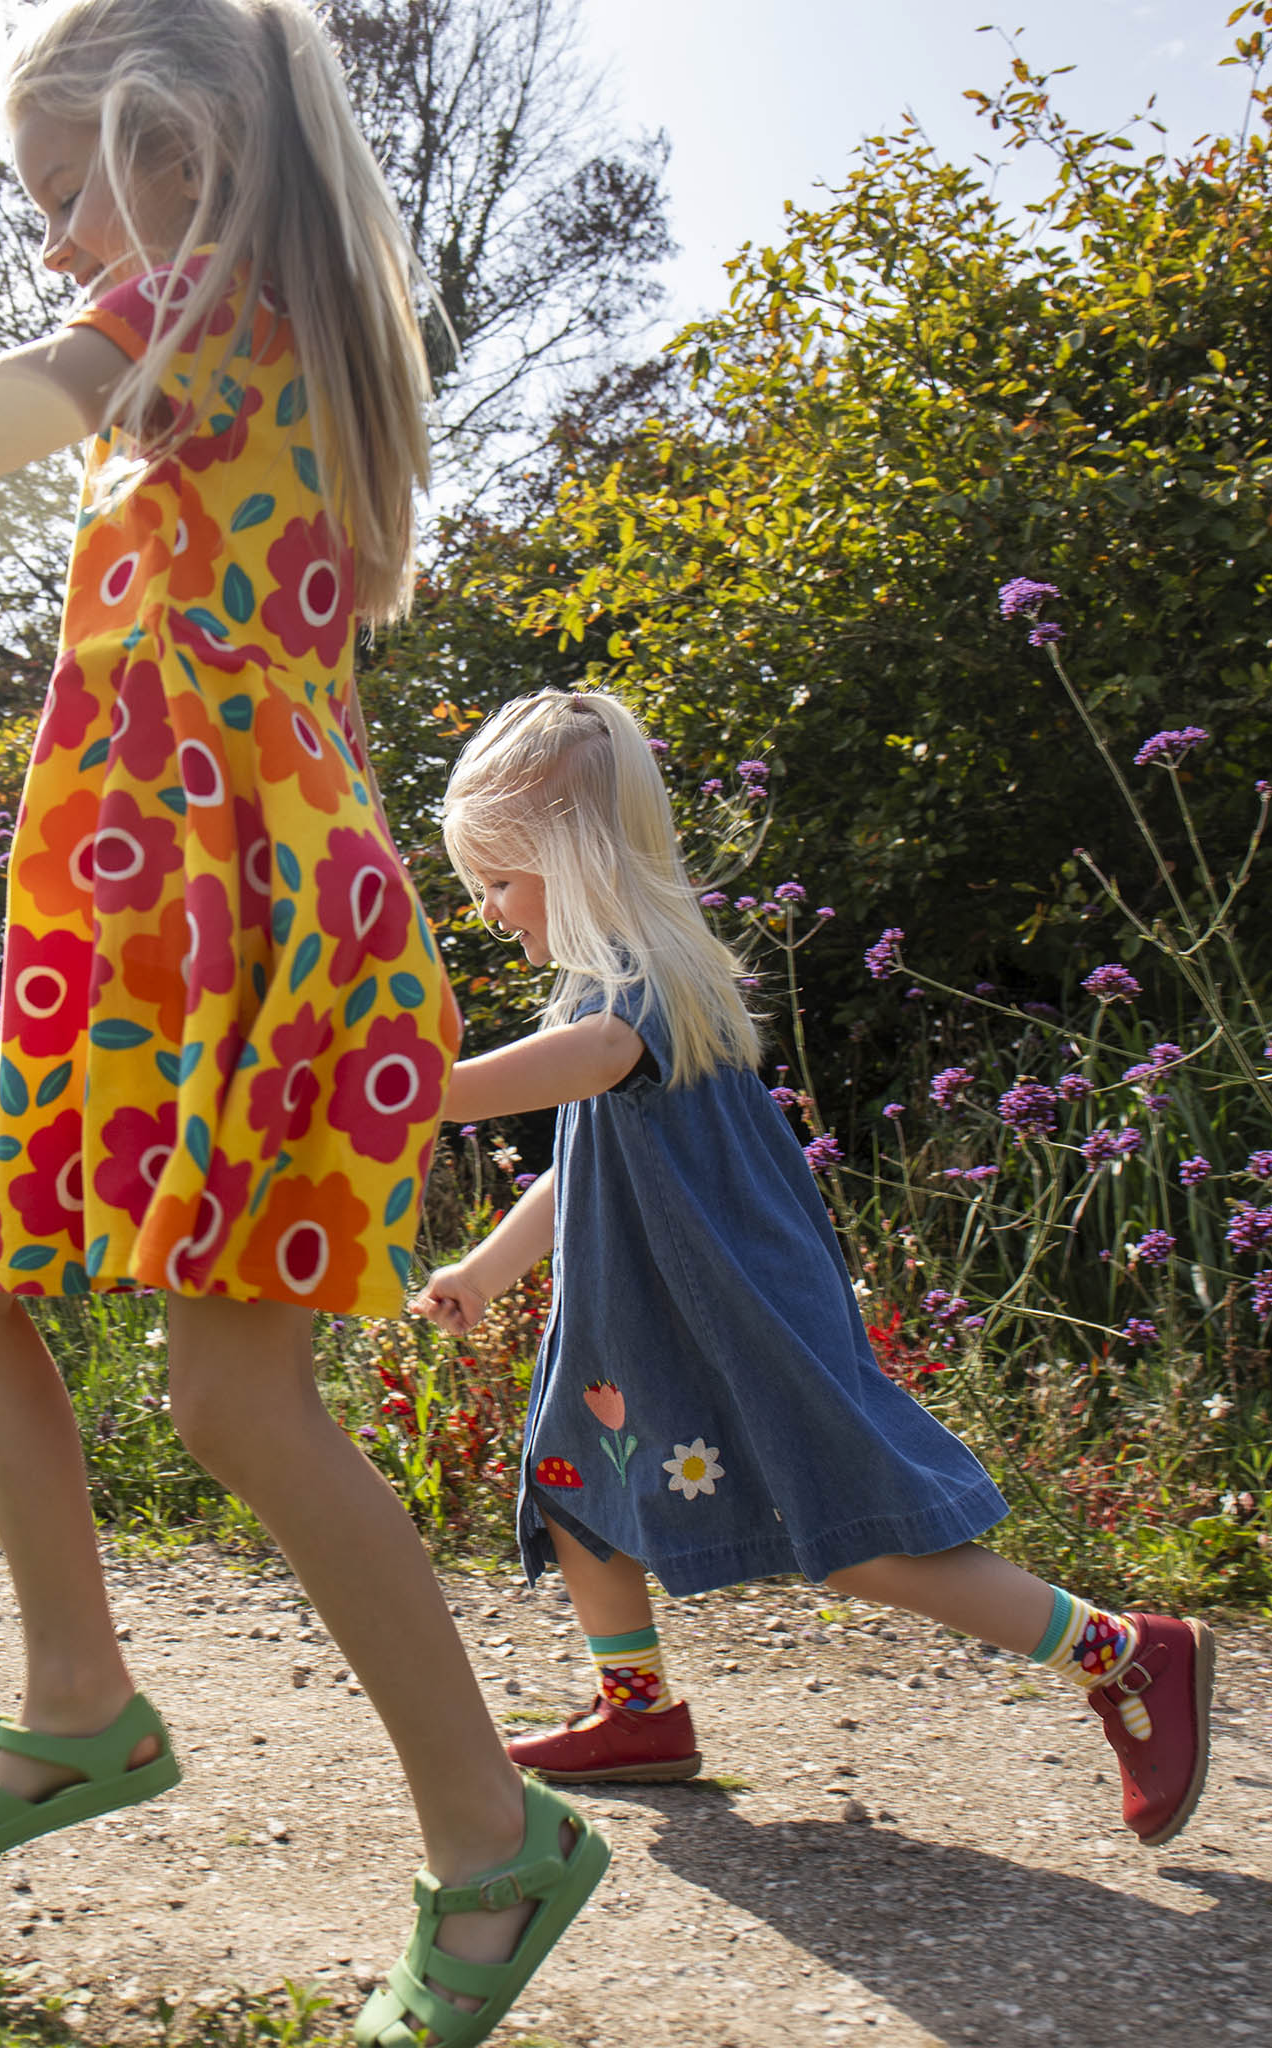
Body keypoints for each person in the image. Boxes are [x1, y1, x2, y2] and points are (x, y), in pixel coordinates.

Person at [0, 5, 607, 2040]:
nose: (52, 249)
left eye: (63, 194)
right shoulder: (251, 339)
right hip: (177, 930)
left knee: (225, 1396)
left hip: (234, 935)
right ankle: (83, 1698)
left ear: (185, 152)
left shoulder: (207, 295)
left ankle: (489, 1847)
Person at [412, 686, 1213, 1851]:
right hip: (639, 1318)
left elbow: (512, 1080)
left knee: (846, 1529)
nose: (488, 910)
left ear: (569, 856)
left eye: (497, 878)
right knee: (580, 1480)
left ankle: (1122, 1650)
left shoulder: (637, 996)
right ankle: (636, 1712)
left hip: (733, 1311)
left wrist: (391, 1070)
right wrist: (486, 1267)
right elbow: (578, 1169)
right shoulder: (599, 994)